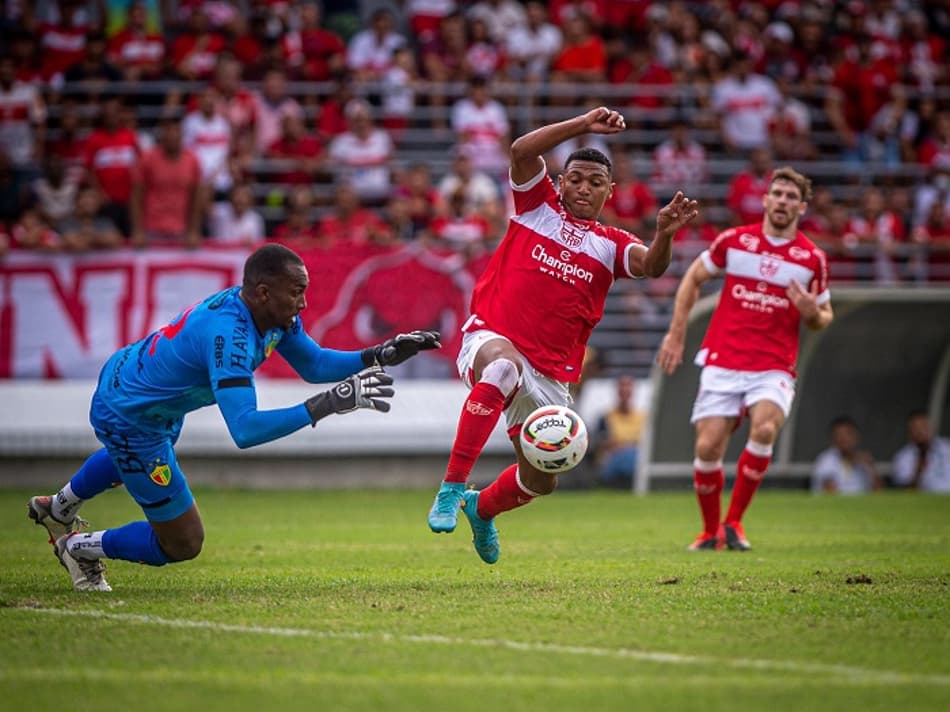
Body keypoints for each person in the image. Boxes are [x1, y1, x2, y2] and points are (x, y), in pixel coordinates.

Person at [27, 243, 441, 591]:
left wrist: (379, 354)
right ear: (263, 292)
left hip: (143, 392)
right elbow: (244, 430)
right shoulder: (231, 336)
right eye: (296, 292)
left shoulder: (268, 313)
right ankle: (79, 547)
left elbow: (314, 364)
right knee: (184, 542)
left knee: (141, 457)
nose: (304, 302)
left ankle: (60, 506)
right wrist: (327, 405)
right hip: (129, 415)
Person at [426, 107, 699, 564]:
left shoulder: (609, 244)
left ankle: (482, 508)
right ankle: (452, 488)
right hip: (492, 336)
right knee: (501, 366)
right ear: (561, 181)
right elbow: (519, 150)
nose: (584, 188)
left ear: (609, 192)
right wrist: (581, 124)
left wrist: (664, 235)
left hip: (550, 372)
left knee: (542, 479)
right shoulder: (536, 207)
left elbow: (650, 265)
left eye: (595, 182)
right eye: (575, 178)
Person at [657, 165, 833, 552]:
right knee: (707, 449)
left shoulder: (811, 259)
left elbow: (824, 317)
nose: (783, 201)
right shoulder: (734, 242)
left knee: (766, 428)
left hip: (772, 364)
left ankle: (734, 523)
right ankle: (709, 533)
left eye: (791, 197)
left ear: (801, 207)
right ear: (766, 199)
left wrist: (811, 313)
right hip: (723, 358)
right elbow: (693, 278)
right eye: (778, 194)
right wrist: (676, 333)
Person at [593, 375, 646, 489]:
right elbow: (601, 444)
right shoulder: (606, 417)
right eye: (622, 388)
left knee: (633, 455)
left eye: (628, 387)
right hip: (613, 460)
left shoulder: (643, 417)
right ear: (617, 391)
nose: (625, 391)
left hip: (637, 458)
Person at [811, 416, 881, 494]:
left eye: (848, 433)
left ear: (857, 436)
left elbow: (879, 492)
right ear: (833, 438)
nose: (844, 438)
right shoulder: (826, 460)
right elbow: (830, 494)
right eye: (839, 434)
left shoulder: (864, 460)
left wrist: (871, 467)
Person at [892, 411, 950, 492]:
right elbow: (906, 491)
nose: (921, 432)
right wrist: (919, 469)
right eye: (916, 428)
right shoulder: (903, 457)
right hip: (928, 500)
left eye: (924, 427)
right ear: (909, 432)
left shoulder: (947, 446)